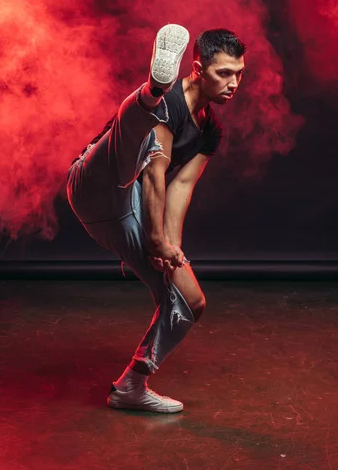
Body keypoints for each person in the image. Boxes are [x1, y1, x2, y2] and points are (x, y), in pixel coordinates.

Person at [67, 24, 246, 413]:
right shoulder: (173, 107)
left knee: (189, 302)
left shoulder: (211, 131)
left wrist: (169, 248)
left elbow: (181, 186)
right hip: (96, 183)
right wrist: (153, 240)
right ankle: (150, 91)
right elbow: (155, 172)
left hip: (127, 215)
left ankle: (131, 385)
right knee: (136, 133)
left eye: (239, 73)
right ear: (197, 68)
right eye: (225, 73)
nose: (234, 83)